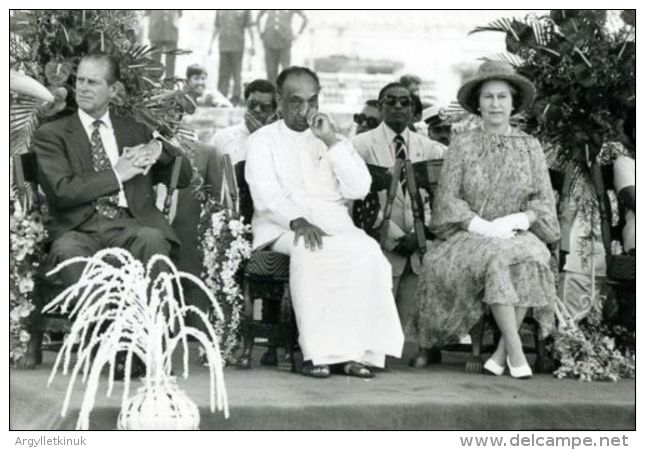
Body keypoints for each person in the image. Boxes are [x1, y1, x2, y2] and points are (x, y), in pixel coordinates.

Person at [245, 66, 404, 378]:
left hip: (335, 225)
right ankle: (315, 353)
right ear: (278, 100)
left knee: (368, 252)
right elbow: (265, 194)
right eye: (295, 101)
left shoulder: (331, 138)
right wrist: (297, 221)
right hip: (280, 226)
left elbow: (359, 188)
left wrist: (331, 141)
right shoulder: (263, 140)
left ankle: (357, 353)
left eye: (312, 101)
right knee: (312, 249)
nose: (305, 110)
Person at [409, 61, 560, 379]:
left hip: (518, 234)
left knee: (534, 256)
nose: (495, 104)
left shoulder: (530, 146)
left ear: (513, 102)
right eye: (488, 97)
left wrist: (519, 219)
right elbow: (448, 198)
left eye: (502, 97)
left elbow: (543, 201)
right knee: (497, 259)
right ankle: (515, 351)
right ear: (477, 103)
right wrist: (482, 226)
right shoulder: (462, 144)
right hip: (469, 234)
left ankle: (503, 352)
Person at [33, 53, 192, 288]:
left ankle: (152, 324)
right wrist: (118, 174)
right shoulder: (52, 134)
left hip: (130, 224)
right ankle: (95, 324)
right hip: (77, 229)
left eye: (93, 82)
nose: (83, 89)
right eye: (80, 81)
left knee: (153, 241)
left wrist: (158, 149)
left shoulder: (134, 130)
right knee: (69, 251)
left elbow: (183, 177)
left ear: (113, 89)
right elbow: (61, 191)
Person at [352, 82, 445, 344]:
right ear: (381, 106)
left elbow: (441, 196)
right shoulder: (359, 146)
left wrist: (421, 232)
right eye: (390, 101)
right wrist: (393, 235)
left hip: (419, 245)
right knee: (375, 313)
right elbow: (360, 201)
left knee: (405, 327)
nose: (397, 106)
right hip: (381, 242)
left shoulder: (430, 148)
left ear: (413, 109)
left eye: (404, 102)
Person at [210, 79, 277, 165]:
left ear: (273, 112)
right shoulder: (222, 138)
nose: (257, 109)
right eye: (253, 104)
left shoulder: (278, 143)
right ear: (245, 103)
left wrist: (260, 137)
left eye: (264, 107)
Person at [208, 10, 255, 105]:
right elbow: (217, 26)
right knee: (223, 73)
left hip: (237, 46)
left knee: (237, 74)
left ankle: (236, 99)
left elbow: (250, 27)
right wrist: (210, 44)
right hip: (223, 45)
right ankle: (221, 97)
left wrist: (253, 44)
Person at [257, 10, 308, 83]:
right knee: (271, 72)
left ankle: (284, 93)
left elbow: (305, 19)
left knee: (286, 72)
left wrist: (298, 34)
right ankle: (272, 92)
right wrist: (261, 33)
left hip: (285, 42)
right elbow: (258, 18)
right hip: (269, 42)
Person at [147, 10, 182, 79]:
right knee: (155, 62)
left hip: (171, 31)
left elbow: (180, 13)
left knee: (170, 64)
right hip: (156, 29)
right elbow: (147, 12)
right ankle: (154, 85)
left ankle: (169, 85)